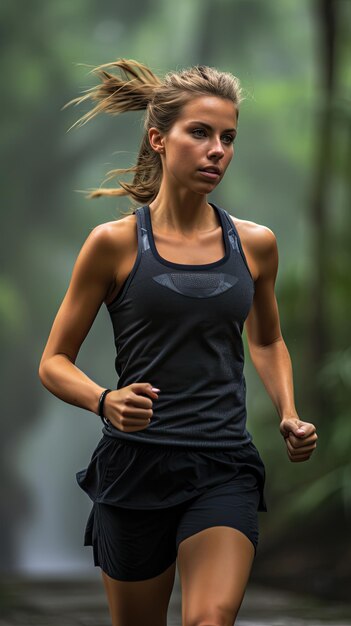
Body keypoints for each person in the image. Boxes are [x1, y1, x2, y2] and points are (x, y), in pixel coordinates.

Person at [39, 59, 318, 626]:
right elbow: (53, 362)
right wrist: (104, 401)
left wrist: (288, 411)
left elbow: (266, 341)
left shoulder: (256, 245)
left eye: (228, 137)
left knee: (208, 621)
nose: (218, 149)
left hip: (222, 464)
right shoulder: (113, 245)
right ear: (158, 138)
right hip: (134, 469)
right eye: (201, 132)